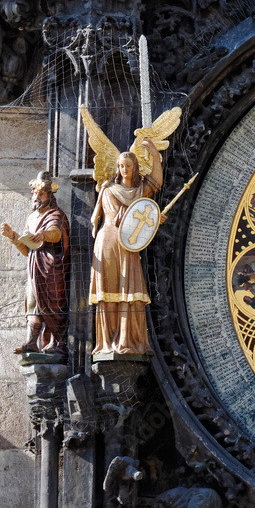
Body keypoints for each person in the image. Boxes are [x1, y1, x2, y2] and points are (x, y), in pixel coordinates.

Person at [89, 140, 162, 356]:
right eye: (121, 166)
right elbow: (106, 218)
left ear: (135, 168)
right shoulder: (108, 190)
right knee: (109, 291)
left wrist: (155, 157)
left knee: (129, 291)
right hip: (109, 241)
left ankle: (128, 339)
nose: (124, 170)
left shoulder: (140, 190)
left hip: (128, 245)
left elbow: (156, 182)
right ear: (117, 168)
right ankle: (107, 343)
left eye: (128, 166)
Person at [1, 172, 70, 355]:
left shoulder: (56, 214)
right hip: (34, 267)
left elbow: (56, 233)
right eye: (35, 194)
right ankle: (32, 342)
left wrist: (44, 235)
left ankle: (57, 343)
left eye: (42, 194)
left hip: (51, 268)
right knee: (32, 303)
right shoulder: (31, 218)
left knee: (53, 305)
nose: (37, 197)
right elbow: (26, 250)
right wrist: (13, 237)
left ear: (49, 196)